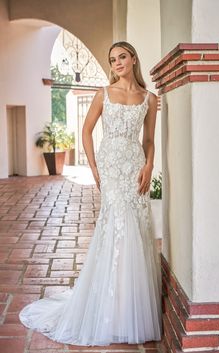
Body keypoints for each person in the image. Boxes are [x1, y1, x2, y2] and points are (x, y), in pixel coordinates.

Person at [19, 41, 162, 346]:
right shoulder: (103, 94)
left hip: (135, 167)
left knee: (136, 228)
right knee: (117, 227)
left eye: (122, 57)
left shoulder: (149, 99)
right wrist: (95, 168)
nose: (117, 63)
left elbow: (149, 139)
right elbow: (85, 131)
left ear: (133, 58)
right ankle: (110, 306)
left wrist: (149, 165)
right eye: (113, 59)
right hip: (110, 168)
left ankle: (130, 306)